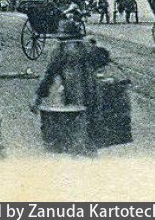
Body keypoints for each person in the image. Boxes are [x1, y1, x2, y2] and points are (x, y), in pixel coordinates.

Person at [31, 19, 110, 155]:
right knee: (90, 133)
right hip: (93, 94)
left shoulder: (59, 50)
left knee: (74, 133)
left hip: (73, 95)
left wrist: (37, 97)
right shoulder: (87, 48)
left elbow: (48, 75)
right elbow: (105, 58)